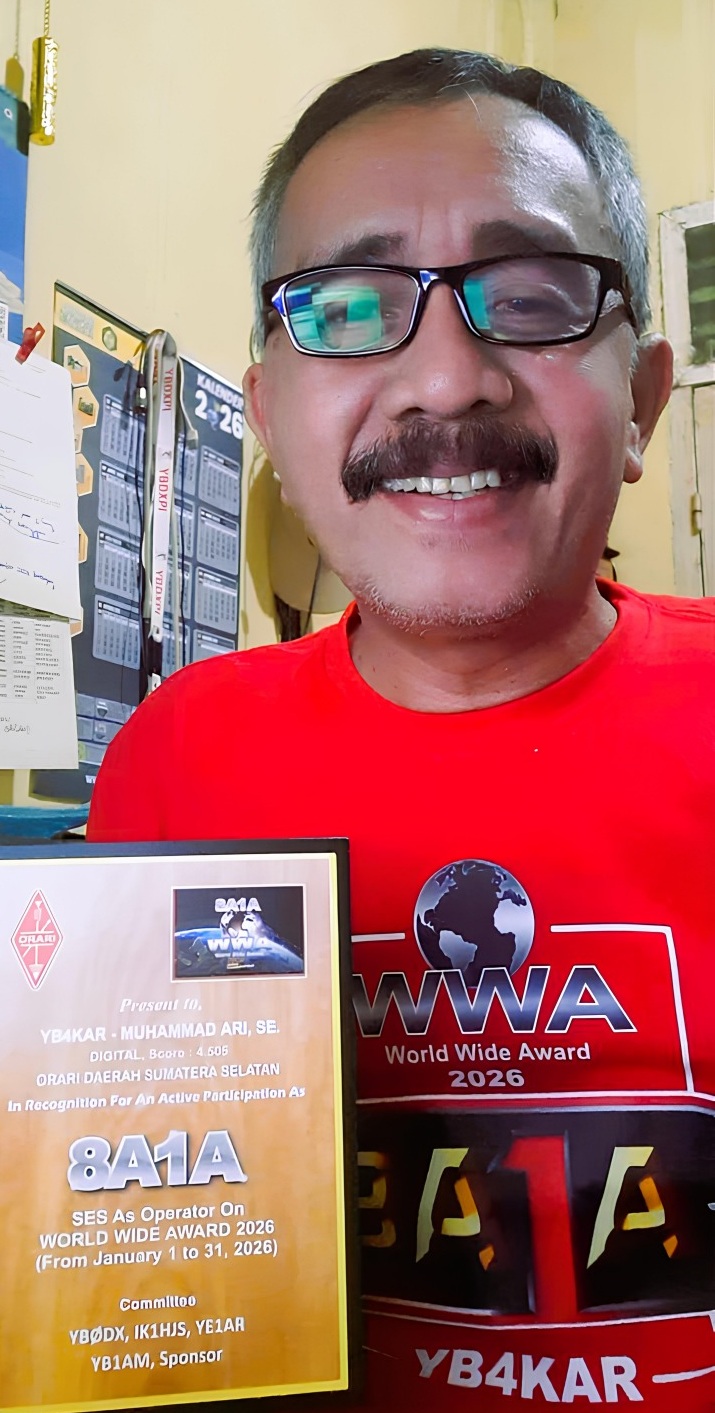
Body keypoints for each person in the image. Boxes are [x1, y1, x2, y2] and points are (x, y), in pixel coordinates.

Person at [89, 48, 715, 1410]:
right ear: (269, 417)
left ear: (645, 401)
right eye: (349, 306)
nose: (446, 379)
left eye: (533, 299)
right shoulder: (175, 760)